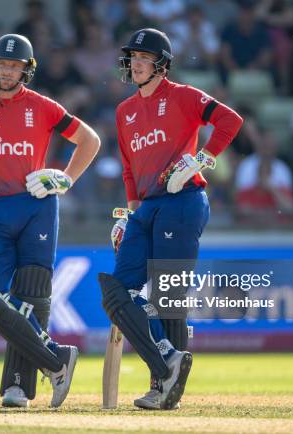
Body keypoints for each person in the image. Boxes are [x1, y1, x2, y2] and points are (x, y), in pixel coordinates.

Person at [0, 34, 100, 408]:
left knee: (32, 298)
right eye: (2, 64)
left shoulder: (43, 106)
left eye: (14, 66)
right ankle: (56, 359)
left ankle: (17, 386)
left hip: (38, 206)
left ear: (26, 70)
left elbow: (90, 140)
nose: (7, 71)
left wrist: (65, 178)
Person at [99, 28, 242, 410]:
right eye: (132, 58)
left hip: (183, 200)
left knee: (168, 297)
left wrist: (203, 160)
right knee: (117, 292)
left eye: (144, 58)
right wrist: (129, 214)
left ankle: (164, 388)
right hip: (145, 208)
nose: (136, 64)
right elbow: (129, 169)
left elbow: (230, 121)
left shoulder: (184, 96)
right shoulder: (124, 111)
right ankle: (167, 360)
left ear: (162, 64)